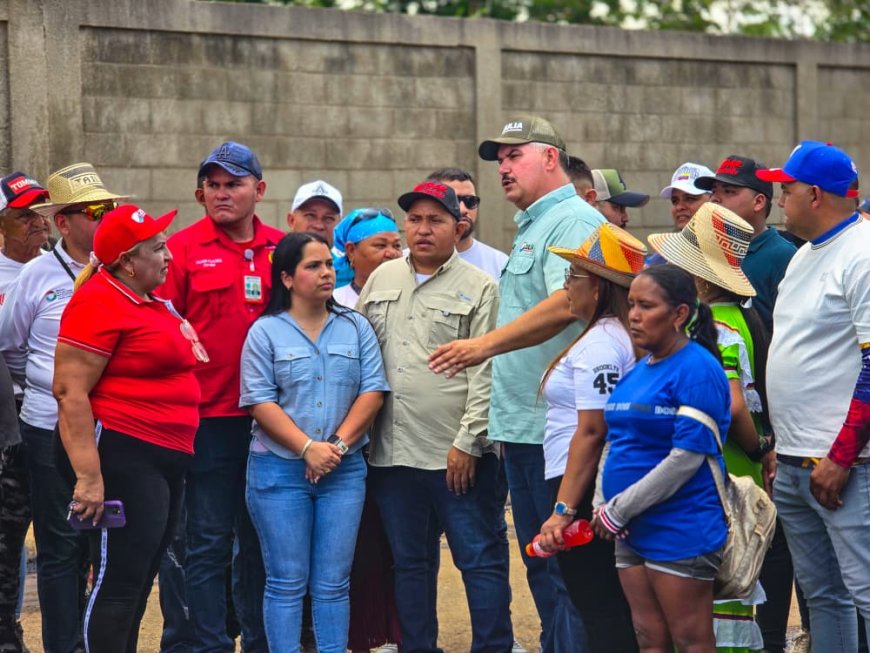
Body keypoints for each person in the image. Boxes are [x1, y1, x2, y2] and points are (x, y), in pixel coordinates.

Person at [428, 114, 603, 652]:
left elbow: (570, 302)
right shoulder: (536, 223)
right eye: (499, 159)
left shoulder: (571, 220)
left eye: (514, 155)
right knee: (544, 570)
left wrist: (484, 345)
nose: (503, 167)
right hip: (525, 429)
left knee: (566, 576)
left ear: (550, 158)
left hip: (556, 432)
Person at [358, 181, 514, 653]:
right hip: (392, 454)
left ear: (458, 227)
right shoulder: (381, 280)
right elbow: (361, 355)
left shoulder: (481, 287)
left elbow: (489, 371)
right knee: (409, 563)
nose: (423, 230)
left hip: (456, 455)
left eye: (435, 220)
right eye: (415, 220)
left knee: (479, 559)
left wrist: (469, 442)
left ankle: (493, 648)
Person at [52, 204, 204, 653]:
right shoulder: (98, 300)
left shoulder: (145, 299)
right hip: (123, 451)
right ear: (127, 261)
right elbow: (69, 392)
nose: (168, 256)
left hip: (162, 453)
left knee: (139, 581)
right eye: (157, 248)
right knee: (117, 582)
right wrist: (89, 477)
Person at [160, 141, 282, 653]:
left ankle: (260, 642)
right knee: (207, 541)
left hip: (274, 422)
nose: (222, 193)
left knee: (261, 543)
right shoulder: (181, 250)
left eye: (233, 184)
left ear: (259, 189)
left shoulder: (284, 249)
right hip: (208, 420)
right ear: (199, 194)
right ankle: (208, 643)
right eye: (212, 185)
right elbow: (163, 330)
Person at [240, 232, 388, 652]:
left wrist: (334, 448)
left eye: (328, 264)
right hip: (278, 472)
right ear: (287, 278)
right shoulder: (265, 332)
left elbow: (373, 391)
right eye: (313, 266)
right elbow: (259, 401)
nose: (326, 273)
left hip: (343, 471)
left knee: (333, 583)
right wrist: (308, 448)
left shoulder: (355, 326)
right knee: (286, 581)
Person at [0, 163, 125, 653]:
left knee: (102, 546)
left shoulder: (119, 269)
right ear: (65, 222)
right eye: (91, 211)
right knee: (58, 547)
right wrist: (49, 387)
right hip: (46, 427)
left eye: (106, 208)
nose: (103, 217)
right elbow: (11, 347)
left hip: (108, 428)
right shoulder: (37, 275)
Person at [757, 141, 870, 652]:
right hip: (796, 461)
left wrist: (842, 456)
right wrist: (780, 443)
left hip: (846, 466)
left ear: (816, 195)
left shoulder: (861, 253)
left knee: (864, 593)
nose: (781, 199)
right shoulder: (804, 255)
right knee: (825, 597)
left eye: (787, 189)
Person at [648, 202, 771, 651]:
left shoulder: (714, 327)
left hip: (723, 472)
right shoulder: (741, 317)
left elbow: (733, 405)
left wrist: (758, 448)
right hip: (736, 469)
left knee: (717, 596)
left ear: (700, 281)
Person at [591, 263, 731, 652]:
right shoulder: (639, 369)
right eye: (631, 305)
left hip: (679, 525)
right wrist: (602, 503)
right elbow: (614, 440)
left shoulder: (698, 369)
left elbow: (686, 458)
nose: (634, 315)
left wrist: (620, 509)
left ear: (679, 313)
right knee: (649, 640)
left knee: (690, 639)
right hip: (628, 528)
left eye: (646, 306)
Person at [535, 223, 644, 653]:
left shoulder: (602, 344)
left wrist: (563, 509)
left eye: (573, 276)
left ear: (597, 287)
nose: (566, 286)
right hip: (589, 481)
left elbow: (594, 429)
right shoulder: (614, 337)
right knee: (608, 607)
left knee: (600, 607)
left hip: (583, 485)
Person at [0, 171, 51, 652]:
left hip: (55, 414)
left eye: (41, 212)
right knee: (7, 534)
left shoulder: (61, 268)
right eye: (23, 216)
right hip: (7, 416)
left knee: (63, 531)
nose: (38, 222)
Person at [696, 155, 796, 333]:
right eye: (713, 191)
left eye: (728, 191)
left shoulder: (783, 255)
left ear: (758, 202)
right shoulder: (707, 249)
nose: (714, 199)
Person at [426, 168, 509, 280]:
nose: (463, 209)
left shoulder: (500, 264)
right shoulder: (406, 264)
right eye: (454, 201)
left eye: (470, 201)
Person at [646, 163, 713, 266]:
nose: (679, 207)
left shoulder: (732, 250)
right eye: (675, 201)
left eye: (690, 199)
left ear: (713, 201)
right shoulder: (666, 253)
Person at [331, 208, 402, 307]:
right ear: (351, 251)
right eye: (380, 245)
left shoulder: (413, 297)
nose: (392, 253)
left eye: (396, 246)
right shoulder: (333, 304)